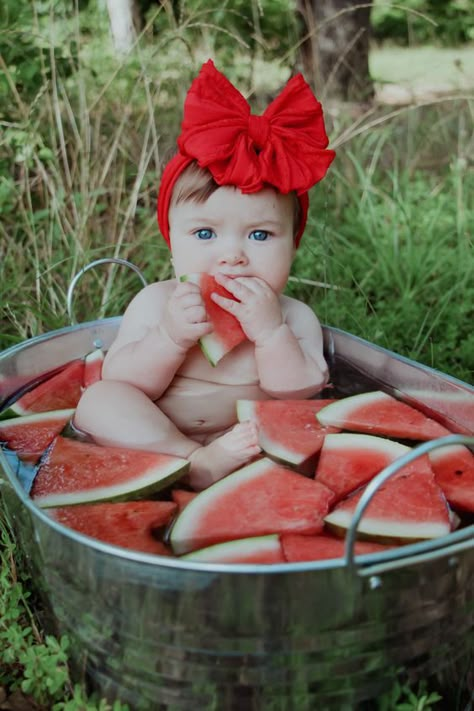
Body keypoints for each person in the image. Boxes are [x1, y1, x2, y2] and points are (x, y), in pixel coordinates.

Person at [74, 59, 336, 490]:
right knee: (101, 401)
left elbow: (302, 390)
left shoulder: (294, 317)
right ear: (171, 240)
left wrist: (272, 335)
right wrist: (169, 337)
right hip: (156, 439)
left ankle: (228, 473)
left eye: (259, 234)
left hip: (257, 442)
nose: (231, 256)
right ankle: (192, 461)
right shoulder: (156, 303)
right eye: (204, 233)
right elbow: (124, 379)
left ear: (294, 244)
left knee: (313, 425)